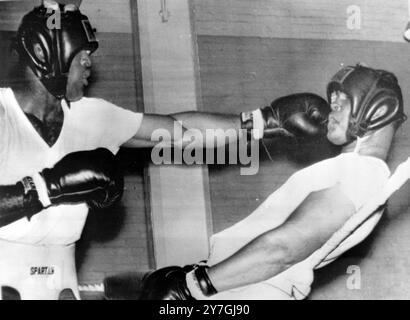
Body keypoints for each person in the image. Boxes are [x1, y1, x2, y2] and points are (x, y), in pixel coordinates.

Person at [0, 2, 329, 299]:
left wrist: (263, 121)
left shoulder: (91, 116)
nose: (90, 62)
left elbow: (178, 132)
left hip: (62, 288)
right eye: (81, 51)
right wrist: (44, 188)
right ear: (45, 52)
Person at [137, 64, 407, 300]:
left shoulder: (363, 173)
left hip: (251, 289)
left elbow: (283, 248)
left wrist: (194, 287)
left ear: (379, 108)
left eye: (341, 103)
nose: (331, 109)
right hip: (238, 286)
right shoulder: (353, 168)